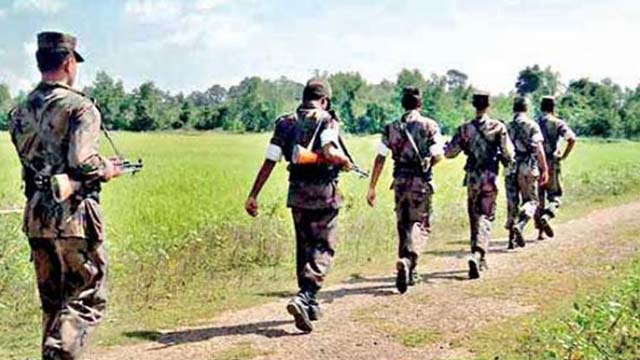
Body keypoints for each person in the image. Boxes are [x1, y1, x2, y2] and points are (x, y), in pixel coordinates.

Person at [8, 32, 122, 359]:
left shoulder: (18, 111)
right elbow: (82, 161)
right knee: (86, 298)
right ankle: (59, 354)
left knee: (53, 303)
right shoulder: (80, 107)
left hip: (37, 216)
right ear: (69, 62)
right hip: (74, 218)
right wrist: (107, 169)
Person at [245, 78, 352, 333]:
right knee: (324, 246)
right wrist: (344, 161)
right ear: (324, 100)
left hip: (298, 193)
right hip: (324, 191)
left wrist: (253, 195)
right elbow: (328, 151)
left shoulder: (285, 123)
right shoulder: (327, 119)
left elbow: (271, 159)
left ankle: (310, 302)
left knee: (304, 246)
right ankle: (305, 296)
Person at [366, 87, 444, 294]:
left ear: (403, 104)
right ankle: (409, 262)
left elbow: (380, 157)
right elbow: (438, 155)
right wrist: (427, 163)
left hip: (399, 181)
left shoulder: (391, 127)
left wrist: (372, 186)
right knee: (421, 224)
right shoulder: (429, 125)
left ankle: (407, 265)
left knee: (403, 225)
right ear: (420, 104)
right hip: (420, 182)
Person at [444, 92, 513, 279]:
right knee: (486, 215)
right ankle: (478, 254)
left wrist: (445, 146)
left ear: (474, 105)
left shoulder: (464, 129)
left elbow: (450, 153)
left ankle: (478, 255)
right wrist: (506, 162)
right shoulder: (498, 127)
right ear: (488, 105)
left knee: (474, 216)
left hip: (472, 177)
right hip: (489, 177)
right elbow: (508, 154)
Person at [505, 97, 549, 249]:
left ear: (514, 108)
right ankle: (521, 224)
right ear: (526, 108)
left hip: (510, 167)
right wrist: (544, 168)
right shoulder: (532, 125)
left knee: (512, 203)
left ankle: (511, 239)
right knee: (532, 201)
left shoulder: (507, 126)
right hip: (527, 166)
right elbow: (538, 148)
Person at [534, 96, 576, 239]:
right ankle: (547, 215)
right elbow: (571, 138)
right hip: (552, 162)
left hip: (536, 163)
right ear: (554, 107)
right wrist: (563, 156)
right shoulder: (558, 123)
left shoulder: (534, 123)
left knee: (539, 197)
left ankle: (540, 231)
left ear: (541, 107)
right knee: (555, 196)